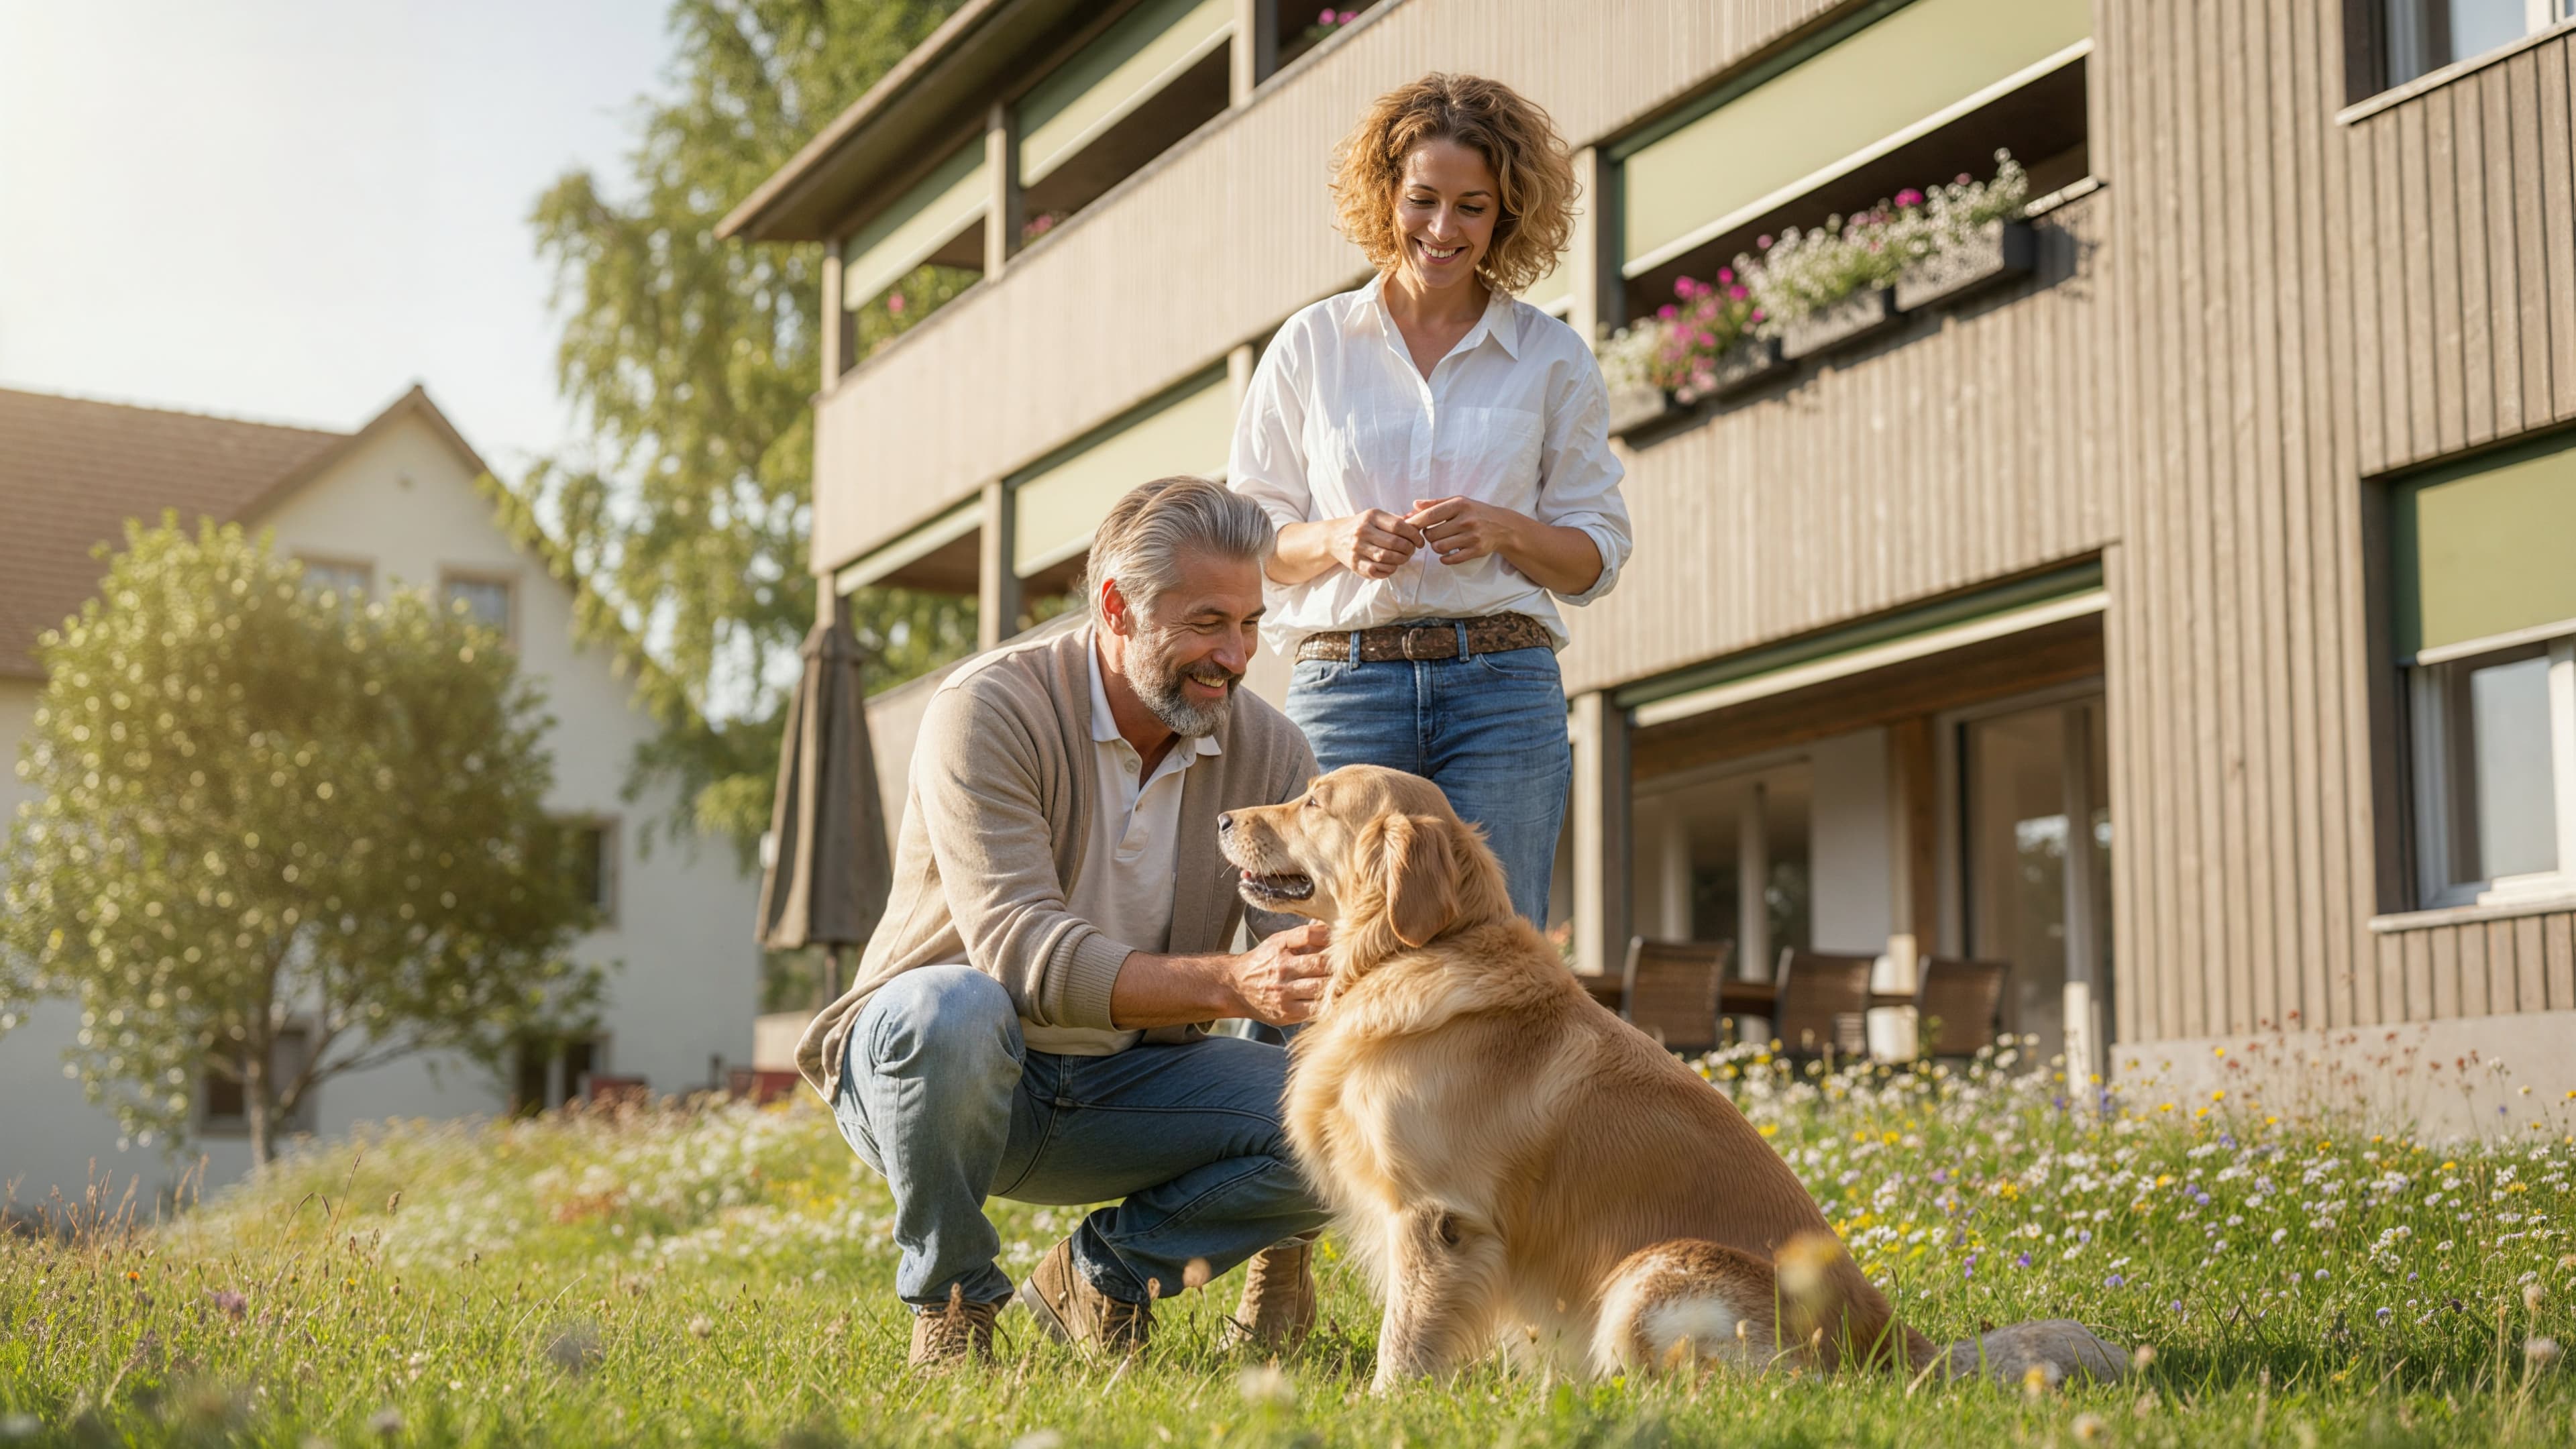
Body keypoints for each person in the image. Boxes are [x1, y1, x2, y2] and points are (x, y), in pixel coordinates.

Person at [794, 478, 1334, 1370]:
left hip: (1129, 1087)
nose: (1234, 656)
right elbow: (1020, 954)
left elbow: (1318, 963)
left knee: (1353, 1116)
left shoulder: (1268, 748)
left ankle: (1102, 1277)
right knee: (956, 1011)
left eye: (1249, 625)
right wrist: (1234, 982)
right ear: (1116, 608)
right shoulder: (989, 709)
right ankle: (954, 1303)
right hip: (942, 1075)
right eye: (1206, 623)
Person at [1228, 72, 1631, 926]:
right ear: (1387, 196)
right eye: (1424, 199)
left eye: (1473, 206)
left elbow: (1596, 553)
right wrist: (1336, 539)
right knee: (1306, 948)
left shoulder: (1551, 356)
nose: (1443, 229)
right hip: (1345, 682)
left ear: (1506, 214)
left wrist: (1506, 530)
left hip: (1503, 688)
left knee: (1492, 947)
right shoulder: (1311, 345)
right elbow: (1251, 537)